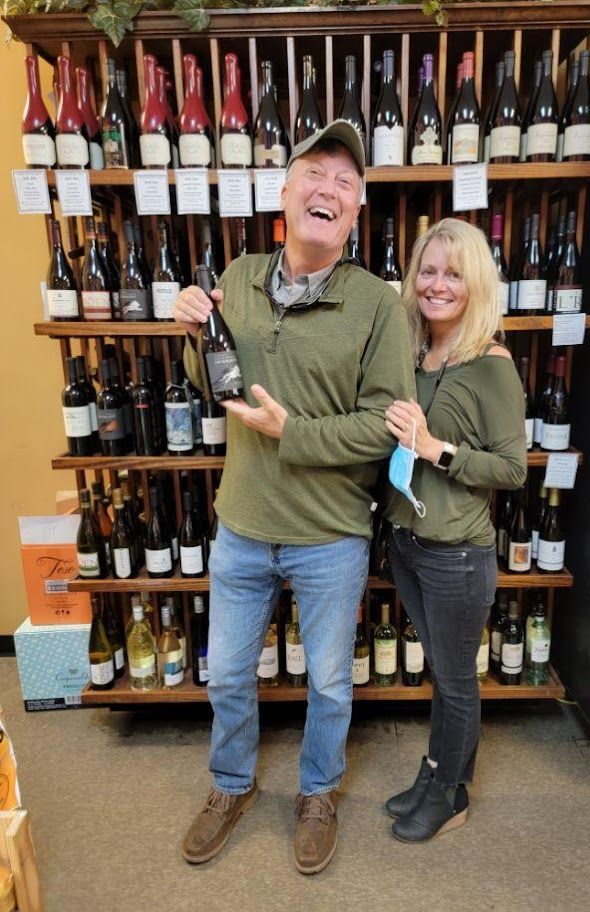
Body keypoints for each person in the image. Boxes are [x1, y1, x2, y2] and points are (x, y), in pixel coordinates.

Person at [173, 120, 415, 874]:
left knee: (330, 682)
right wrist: (190, 329)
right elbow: (208, 381)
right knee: (231, 672)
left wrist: (294, 431)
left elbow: (384, 426)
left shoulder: (377, 303)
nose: (329, 188)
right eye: (316, 172)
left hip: (330, 535)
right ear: (283, 191)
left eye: (346, 182)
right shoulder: (240, 277)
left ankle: (318, 792)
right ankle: (231, 785)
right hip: (241, 524)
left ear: (356, 210)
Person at [382, 217, 527, 843]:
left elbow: (513, 468)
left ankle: (451, 792)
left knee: (457, 679)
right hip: (408, 543)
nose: (437, 284)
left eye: (454, 274)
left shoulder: (490, 361)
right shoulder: (416, 351)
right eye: (428, 270)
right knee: (444, 671)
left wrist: (436, 448)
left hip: (456, 555)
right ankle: (437, 772)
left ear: (476, 284)